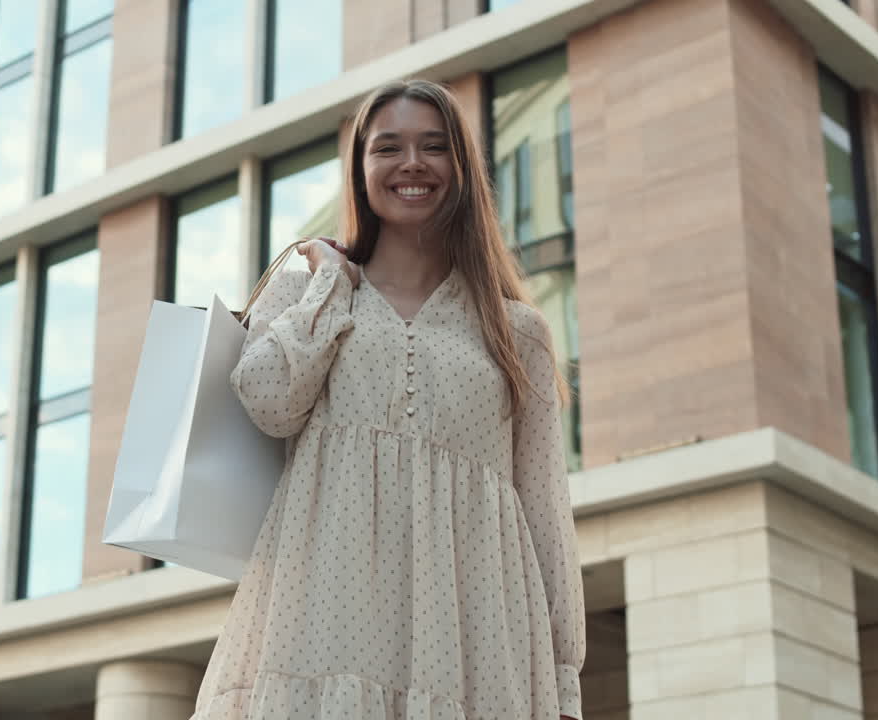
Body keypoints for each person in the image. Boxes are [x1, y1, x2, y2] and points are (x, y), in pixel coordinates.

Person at [190, 79, 586, 720]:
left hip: (477, 638)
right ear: (359, 168)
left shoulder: (516, 331)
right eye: (388, 147)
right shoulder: (306, 293)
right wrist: (330, 287)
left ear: (461, 169)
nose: (411, 164)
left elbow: (544, 508)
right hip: (327, 624)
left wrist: (564, 680)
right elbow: (266, 401)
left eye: (434, 146)